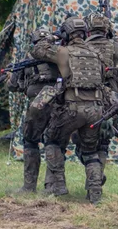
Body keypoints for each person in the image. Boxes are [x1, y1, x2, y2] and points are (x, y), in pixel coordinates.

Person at [30, 16, 108, 203]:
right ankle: (95, 192)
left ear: (66, 33)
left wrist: (52, 38)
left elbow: (37, 50)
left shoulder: (64, 52)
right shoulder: (96, 54)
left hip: (72, 107)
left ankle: (58, 185)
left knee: (53, 141)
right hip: (96, 109)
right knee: (90, 151)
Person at [6, 26, 61, 193]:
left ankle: (29, 187)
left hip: (36, 105)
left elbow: (13, 85)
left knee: (30, 141)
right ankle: (52, 186)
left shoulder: (28, 58)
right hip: (59, 103)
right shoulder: (60, 55)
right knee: (53, 142)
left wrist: (10, 79)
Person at [85, 12, 118, 165]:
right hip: (111, 99)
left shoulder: (82, 47)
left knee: (86, 142)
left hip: (87, 97)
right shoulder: (116, 47)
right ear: (107, 30)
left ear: (88, 30)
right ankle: (98, 173)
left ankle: (93, 175)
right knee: (104, 142)